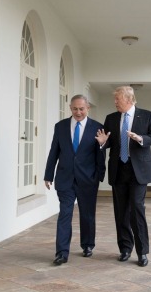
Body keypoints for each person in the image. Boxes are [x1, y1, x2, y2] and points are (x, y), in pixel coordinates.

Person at [96, 86, 151, 267]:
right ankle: (125, 248)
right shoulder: (111, 118)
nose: (115, 102)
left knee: (137, 209)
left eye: (118, 99)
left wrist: (140, 138)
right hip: (118, 170)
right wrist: (103, 143)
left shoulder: (147, 116)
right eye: (115, 100)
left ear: (129, 99)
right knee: (121, 211)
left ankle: (142, 252)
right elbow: (108, 141)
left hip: (139, 171)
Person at [44, 95, 106, 265]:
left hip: (88, 179)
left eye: (81, 109)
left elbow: (100, 156)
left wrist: (99, 176)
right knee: (65, 214)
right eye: (75, 109)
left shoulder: (98, 127)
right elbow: (54, 151)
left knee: (87, 214)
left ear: (88, 108)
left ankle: (87, 245)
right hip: (65, 178)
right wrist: (48, 175)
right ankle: (62, 252)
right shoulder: (61, 126)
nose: (78, 112)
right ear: (70, 108)